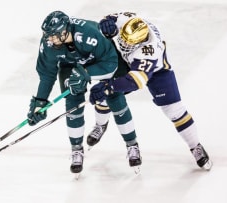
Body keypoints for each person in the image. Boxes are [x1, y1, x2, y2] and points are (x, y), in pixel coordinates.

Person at [89, 11, 212, 170]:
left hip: (156, 72)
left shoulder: (149, 51)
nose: (124, 43)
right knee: (106, 97)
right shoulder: (128, 21)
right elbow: (110, 18)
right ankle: (100, 125)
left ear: (140, 42)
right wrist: (106, 23)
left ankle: (195, 145)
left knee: (175, 111)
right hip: (127, 62)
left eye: (129, 42)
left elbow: (134, 81)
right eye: (123, 38)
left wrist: (109, 85)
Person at [27, 10, 142, 175]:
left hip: (104, 60)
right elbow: (47, 74)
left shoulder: (90, 33)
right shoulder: (49, 44)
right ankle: (76, 149)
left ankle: (132, 144)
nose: (49, 39)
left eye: (53, 35)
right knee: (72, 99)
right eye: (48, 35)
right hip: (71, 65)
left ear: (65, 31)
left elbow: (111, 63)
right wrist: (40, 102)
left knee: (114, 95)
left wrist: (86, 73)